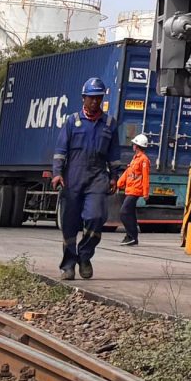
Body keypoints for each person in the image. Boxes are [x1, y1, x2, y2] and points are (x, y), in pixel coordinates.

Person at [50, 77, 124, 281]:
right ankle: (68, 266)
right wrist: (57, 173)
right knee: (69, 224)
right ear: (83, 98)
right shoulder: (72, 122)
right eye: (91, 98)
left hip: (97, 177)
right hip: (72, 178)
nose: (94, 102)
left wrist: (114, 177)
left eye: (98, 98)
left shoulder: (109, 124)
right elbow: (60, 151)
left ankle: (84, 256)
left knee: (96, 217)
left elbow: (114, 154)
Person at [113, 134, 151, 247]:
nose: (133, 145)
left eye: (134, 144)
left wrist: (145, 193)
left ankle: (131, 236)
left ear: (137, 146)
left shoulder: (144, 160)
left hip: (135, 190)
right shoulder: (135, 159)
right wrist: (118, 184)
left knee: (124, 212)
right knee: (130, 214)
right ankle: (132, 237)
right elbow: (128, 173)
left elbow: (145, 177)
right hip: (130, 190)